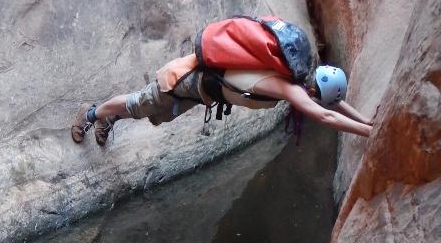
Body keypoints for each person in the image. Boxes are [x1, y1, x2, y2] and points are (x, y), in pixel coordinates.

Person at [71, 15, 374, 146]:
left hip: (200, 93)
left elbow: (333, 102)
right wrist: (369, 132)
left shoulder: (303, 71)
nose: (311, 99)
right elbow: (323, 112)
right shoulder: (287, 86)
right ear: (312, 91)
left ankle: (107, 119)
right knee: (139, 104)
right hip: (185, 79)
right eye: (314, 96)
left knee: (155, 116)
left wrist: (369, 122)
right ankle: (91, 113)